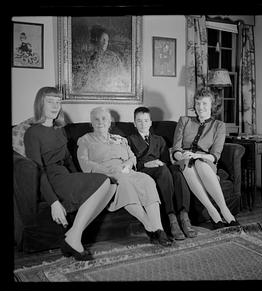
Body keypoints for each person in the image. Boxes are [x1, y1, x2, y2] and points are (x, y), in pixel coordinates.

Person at [24, 87, 117, 261]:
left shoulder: (59, 129)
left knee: (111, 186)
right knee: (104, 181)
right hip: (50, 178)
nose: (55, 106)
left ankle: (72, 235)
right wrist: (53, 202)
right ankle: (73, 240)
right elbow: (38, 170)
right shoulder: (32, 133)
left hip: (65, 175)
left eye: (58, 102)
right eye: (50, 101)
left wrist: (83, 181)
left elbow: (68, 160)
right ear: (40, 104)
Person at [77, 107, 173, 247]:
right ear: (91, 122)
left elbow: (132, 157)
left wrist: (127, 166)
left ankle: (158, 228)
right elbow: (84, 163)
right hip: (107, 174)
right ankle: (153, 228)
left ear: (110, 122)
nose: (100, 122)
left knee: (147, 181)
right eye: (96, 119)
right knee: (125, 184)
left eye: (104, 118)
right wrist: (108, 170)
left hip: (126, 171)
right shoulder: (85, 140)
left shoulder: (120, 139)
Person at [172, 87, 240, 229]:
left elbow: (215, 155)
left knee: (200, 164)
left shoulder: (219, 126)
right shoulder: (184, 121)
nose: (200, 107)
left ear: (212, 106)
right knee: (189, 165)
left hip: (205, 161)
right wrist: (183, 155)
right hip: (184, 159)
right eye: (197, 103)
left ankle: (225, 210)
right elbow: (176, 149)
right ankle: (213, 212)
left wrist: (198, 156)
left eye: (204, 103)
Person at [128, 107, 196, 240]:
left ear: (151, 122)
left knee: (176, 172)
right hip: (143, 170)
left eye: (146, 120)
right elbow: (130, 160)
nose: (143, 124)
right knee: (163, 170)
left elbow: (165, 161)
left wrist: (161, 163)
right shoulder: (129, 139)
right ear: (134, 123)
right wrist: (146, 164)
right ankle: (171, 218)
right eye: (139, 121)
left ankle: (183, 216)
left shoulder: (159, 139)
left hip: (161, 167)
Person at [73, 25, 129, 93]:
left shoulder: (113, 57)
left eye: (107, 40)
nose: (106, 43)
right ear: (96, 39)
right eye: (103, 39)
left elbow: (121, 76)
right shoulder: (85, 57)